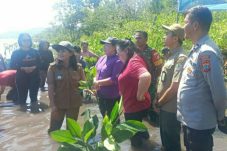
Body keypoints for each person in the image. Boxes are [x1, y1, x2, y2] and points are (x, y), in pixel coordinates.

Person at [177, 6, 227, 151]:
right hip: (191, 122)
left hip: (199, 125)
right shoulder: (197, 49)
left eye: (185, 22)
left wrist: (220, 117)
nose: (182, 26)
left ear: (195, 25)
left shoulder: (206, 53)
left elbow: (219, 93)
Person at [156, 24, 187, 151]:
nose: (164, 36)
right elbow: (163, 81)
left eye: (167, 34)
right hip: (163, 106)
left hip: (170, 108)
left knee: (172, 143)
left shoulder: (181, 58)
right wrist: (156, 100)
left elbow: (174, 87)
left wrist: (159, 103)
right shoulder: (171, 56)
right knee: (165, 142)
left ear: (175, 39)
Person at [117, 39, 151, 148]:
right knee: (142, 134)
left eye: (118, 51)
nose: (117, 54)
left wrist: (139, 95)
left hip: (134, 108)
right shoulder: (131, 60)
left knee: (135, 143)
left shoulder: (133, 61)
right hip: (133, 106)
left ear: (126, 50)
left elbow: (145, 76)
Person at [47, 41, 85, 133]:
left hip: (74, 104)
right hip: (58, 104)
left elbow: (83, 84)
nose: (60, 53)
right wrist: (52, 105)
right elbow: (50, 87)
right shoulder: (52, 68)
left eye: (63, 51)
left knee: (71, 131)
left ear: (71, 53)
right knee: (54, 130)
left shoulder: (78, 68)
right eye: (59, 51)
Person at [133, 31, 163, 125]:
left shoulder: (152, 52)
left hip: (149, 84)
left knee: (149, 105)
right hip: (136, 83)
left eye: (140, 38)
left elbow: (160, 66)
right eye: (136, 38)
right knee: (137, 106)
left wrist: (153, 78)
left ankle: (153, 125)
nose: (137, 40)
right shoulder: (132, 51)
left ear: (146, 40)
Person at [93, 37, 123, 118]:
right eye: (104, 45)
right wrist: (95, 82)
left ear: (114, 47)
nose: (104, 47)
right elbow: (97, 72)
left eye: (107, 45)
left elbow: (114, 79)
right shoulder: (102, 58)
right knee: (104, 117)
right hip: (100, 94)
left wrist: (98, 83)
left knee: (112, 120)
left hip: (112, 96)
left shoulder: (118, 61)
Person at [10, 33, 41, 106]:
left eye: (28, 40)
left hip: (35, 77)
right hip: (21, 78)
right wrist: (23, 68)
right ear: (20, 41)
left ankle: (34, 114)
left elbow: (41, 63)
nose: (27, 42)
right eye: (24, 40)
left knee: (34, 98)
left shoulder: (35, 52)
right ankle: (23, 116)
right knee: (22, 99)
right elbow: (12, 65)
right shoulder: (16, 53)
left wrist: (34, 67)